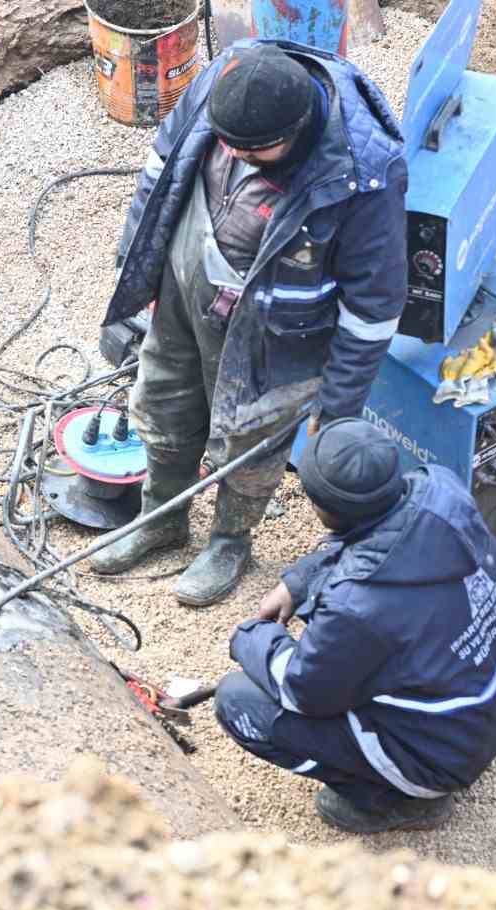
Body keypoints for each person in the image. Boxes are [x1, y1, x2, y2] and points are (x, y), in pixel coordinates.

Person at [93, 40, 409, 606]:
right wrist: (134, 267)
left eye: (253, 150)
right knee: (162, 400)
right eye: (227, 146)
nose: (235, 157)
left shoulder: (363, 174)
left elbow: (374, 308)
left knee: (250, 439)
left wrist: (336, 413)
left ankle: (229, 540)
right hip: (186, 290)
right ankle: (161, 518)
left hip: (275, 333)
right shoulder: (226, 79)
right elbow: (159, 173)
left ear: (300, 127)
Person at [214, 419, 496, 833]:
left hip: (438, 757)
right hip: (490, 698)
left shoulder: (355, 606)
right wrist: (298, 581)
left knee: (237, 701)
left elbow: (302, 694)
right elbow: (376, 538)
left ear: (324, 510)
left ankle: (398, 800)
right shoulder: (442, 488)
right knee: (365, 640)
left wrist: (252, 638)